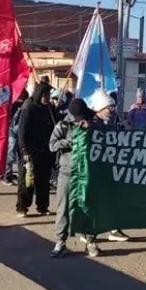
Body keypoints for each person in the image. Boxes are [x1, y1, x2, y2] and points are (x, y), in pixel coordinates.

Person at [50, 99, 102, 258]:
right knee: (63, 206)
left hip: (87, 172)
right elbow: (52, 145)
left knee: (89, 206)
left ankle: (90, 240)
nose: (80, 119)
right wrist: (72, 141)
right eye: (77, 117)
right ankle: (61, 240)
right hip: (67, 171)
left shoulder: (93, 122)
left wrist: (91, 130)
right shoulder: (63, 125)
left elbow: (103, 139)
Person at [89, 91, 132, 243]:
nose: (112, 111)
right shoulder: (91, 124)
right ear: (100, 108)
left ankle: (114, 229)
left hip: (111, 168)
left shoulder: (113, 122)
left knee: (113, 200)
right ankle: (90, 234)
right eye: (109, 108)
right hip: (96, 171)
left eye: (113, 107)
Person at [17, 82, 57, 217]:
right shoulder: (29, 107)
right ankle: (22, 207)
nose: (47, 97)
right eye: (45, 95)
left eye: (48, 95)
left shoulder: (49, 109)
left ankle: (43, 206)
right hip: (31, 151)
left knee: (44, 181)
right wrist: (24, 151)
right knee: (27, 181)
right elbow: (22, 131)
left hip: (45, 151)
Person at [4, 90, 29, 186]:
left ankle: (21, 175)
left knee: (20, 154)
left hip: (21, 132)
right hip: (12, 131)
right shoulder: (13, 104)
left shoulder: (27, 104)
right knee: (11, 152)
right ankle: (7, 175)